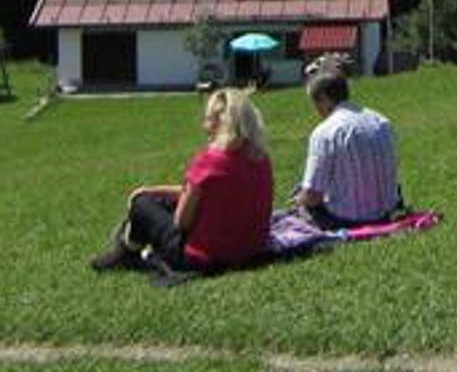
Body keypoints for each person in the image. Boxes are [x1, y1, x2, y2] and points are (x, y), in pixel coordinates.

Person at [91, 87, 273, 275]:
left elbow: (181, 222)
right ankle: (127, 251)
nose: (204, 126)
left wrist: (144, 195)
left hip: (205, 258)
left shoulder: (209, 161)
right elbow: (207, 191)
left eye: (208, 119)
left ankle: (127, 251)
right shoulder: (260, 157)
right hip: (250, 251)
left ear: (220, 123)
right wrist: (152, 190)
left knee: (141, 204)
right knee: (158, 201)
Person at [292, 66, 402, 228]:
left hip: (349, 218)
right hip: (388, 211)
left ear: (324, 98)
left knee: (302, 203)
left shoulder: (325, 132)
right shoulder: (381, 121)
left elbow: (313, 196)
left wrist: (299, 199)